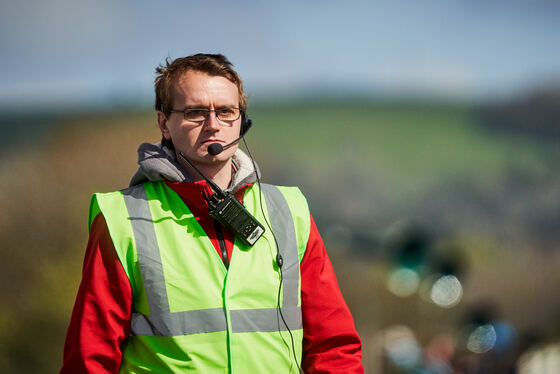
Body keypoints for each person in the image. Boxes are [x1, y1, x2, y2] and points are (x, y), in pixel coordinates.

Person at [61, 53, 363, 373]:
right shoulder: (121, 218)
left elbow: (333, 345)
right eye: (195, 112)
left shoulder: (290, 210)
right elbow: (90, 357)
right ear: (164, 123)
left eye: (226, 111)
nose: (213, 125)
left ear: (242, 121)